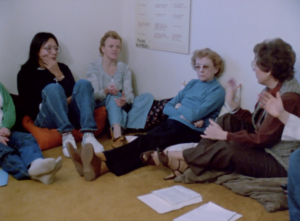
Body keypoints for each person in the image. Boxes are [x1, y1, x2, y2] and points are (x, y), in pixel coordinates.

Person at [147, 38, 300, 179]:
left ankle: (180, 156)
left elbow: (261, 139)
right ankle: (191, 161)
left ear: (269, 70)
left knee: (228, 149)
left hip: (278, 161)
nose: (253, 69)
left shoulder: (288, 99)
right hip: (266, 146)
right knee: (227, 119)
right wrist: (233, 106)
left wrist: (225, 136)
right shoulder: (271, 88)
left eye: (255, 64)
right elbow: (259, 125)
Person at [68, 48, 226, 181]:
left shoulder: (217, 91)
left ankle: (100, 158)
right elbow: (167, 108)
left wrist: (180, 109)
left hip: (191, 131)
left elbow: (194, 114)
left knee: (147, 142)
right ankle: (99, 167)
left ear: (216, 69)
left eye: (205, 67)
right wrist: (182, 110)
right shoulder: (192, 83)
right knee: (145, 141)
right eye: (198, 66)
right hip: (173, 123)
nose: (200, 70)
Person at [17, 32, 104, 158]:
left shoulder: (62, 68)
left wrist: (58, 74)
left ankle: (88, 135)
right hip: (45, 118)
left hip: (69, 114)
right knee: (53, 89)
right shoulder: (25, 73)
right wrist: (56, 101)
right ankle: (67, 135)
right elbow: (29, 106)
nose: (53, 52)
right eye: (48, 48)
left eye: (56, 48)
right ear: (36, 50)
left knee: (84, 84)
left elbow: (75, 95)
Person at [87, 31, 154, 148]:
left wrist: (125, 99)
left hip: (120, 105)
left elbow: (130, 95)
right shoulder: (93, 67)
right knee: (114, 95)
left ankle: (122, 126)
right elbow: (93, 95)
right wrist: (107, 91)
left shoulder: (124, 68)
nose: (115, 49)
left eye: (118, 47)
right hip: (102, 104)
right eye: (111, 46)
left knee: (148, 97)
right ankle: (117, 133)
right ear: (103, 48)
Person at [0, 82, 62, 184]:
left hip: (5, 130)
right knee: (6, 153)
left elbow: (9, 107)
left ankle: (37, 164)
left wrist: (5, 127)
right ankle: (33, 174)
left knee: (26, 139)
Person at [258, 91, 300, 221]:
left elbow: (260, 139)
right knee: (296, 158)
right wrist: (282, 114)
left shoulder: (291, 95)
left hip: (275, 155)